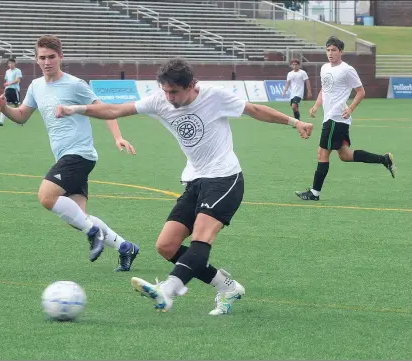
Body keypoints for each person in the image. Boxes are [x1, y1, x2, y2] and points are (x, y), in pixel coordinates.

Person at [56, 57, 314, 315]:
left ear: (192, 85)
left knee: (202, 236)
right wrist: (75, 109)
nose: (169, 97)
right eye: (165, 91)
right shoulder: (159, 100)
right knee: (166, 246)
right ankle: (227, 287)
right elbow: (114, 111)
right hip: (195, 179)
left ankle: (167, 291)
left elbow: (255, 110)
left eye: (174, 92)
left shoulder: (214, 96)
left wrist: (295, 122)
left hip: (225, 178)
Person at [0, 35, 140, 272]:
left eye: (51, 57)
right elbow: (22, 117)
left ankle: (93, 233)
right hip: (65, 157)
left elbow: (105, 109)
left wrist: (118, 137)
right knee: (79, 217)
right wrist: (4, 108)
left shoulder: (75, 84)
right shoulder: (36, 86)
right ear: (36, 60)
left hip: (79, 154)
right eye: (42, 58)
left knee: (46, 196)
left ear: (61, 57)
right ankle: (125, 247)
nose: (46, 62)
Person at [295, 36, 395, 201]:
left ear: (341, 52)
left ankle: (314, 193)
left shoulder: (347, 70)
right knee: (345, 155)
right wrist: (316, 106)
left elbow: (361, 91)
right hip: (330, 118)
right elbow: (324, 90)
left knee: (322, 154)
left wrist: (350, 109)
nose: (330, 53)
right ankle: (384, 159)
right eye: (328, 50)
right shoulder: (324, 68)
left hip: (336, 118)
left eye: (334, 50)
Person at [0, 58, 23, 126]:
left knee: (16, 105)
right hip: (8, 90)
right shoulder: (7, 71)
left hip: (14, 90)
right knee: (3, 104)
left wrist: (9, 84)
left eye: (12, 63)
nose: (10, 64)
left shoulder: (18, 71)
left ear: (14, 63)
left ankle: (19, 121)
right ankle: (1, 121)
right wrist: (4, 92)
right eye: (9, 63)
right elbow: (6, 83)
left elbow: (17, 80)